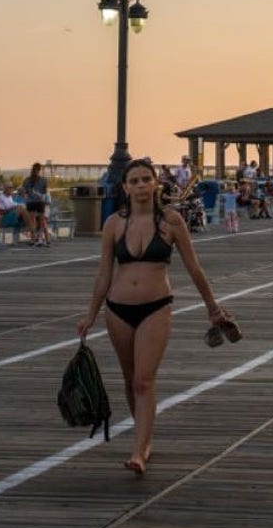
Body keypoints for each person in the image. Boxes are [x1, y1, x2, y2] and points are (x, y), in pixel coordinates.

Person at [76, 159, 239, 474]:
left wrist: (212, 307)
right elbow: (103, 274)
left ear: (155, 184)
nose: (139, 186)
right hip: (117, 310)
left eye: (145, 179)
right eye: (133, 181)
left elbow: (194, 268)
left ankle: (138, 452)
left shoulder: (171, 221)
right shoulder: (113, 224)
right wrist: (90, 315)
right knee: (129, 379)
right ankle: (145, 436)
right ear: (125, 187)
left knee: (143, 380)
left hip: (156, 307)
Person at [21, 163, 51, 247]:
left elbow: (24, 191)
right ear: (39, 170)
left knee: (32, 221)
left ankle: (33, 239)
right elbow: (45, 192)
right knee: (41, 221)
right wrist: (40, 196)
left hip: (30, 202)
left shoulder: (27, 180)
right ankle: (40, 238)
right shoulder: (43, 180)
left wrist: (29, 195)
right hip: (40, 201)